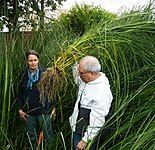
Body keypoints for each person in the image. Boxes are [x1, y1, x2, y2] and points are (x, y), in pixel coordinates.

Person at [69, 56, 113, 150]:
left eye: (80, 72)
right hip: (76, 129)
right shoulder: (86, 79)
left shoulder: (101, 91)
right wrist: (74, 62)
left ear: (93, 72)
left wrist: (85, 140)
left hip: (86, 136)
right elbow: (77, 80)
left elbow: (98, 120)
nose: (78, 75)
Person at [17, 50, 55, 150]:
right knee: (31, 136)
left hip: (44, 110)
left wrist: (53, 107)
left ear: (38, 60)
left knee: (48, 135)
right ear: (27, 61)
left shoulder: (45, 73)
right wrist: (20, 109)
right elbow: (20, 93)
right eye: (30, 60)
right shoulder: (23, 75)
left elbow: (53, 91)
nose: (33, 63)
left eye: (35, 60)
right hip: (28, 111)